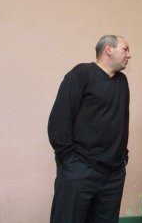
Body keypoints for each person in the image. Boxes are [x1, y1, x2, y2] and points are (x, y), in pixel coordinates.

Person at [48, 35, 132, 223]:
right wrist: (70, 160)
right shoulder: (81, 73)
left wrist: (122, 159)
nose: (129, 55)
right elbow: (59, 119)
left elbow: (122, 121)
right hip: (80, 168)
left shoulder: (122, 82)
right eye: (125, 49)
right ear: (108, 49)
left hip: (113, 173)